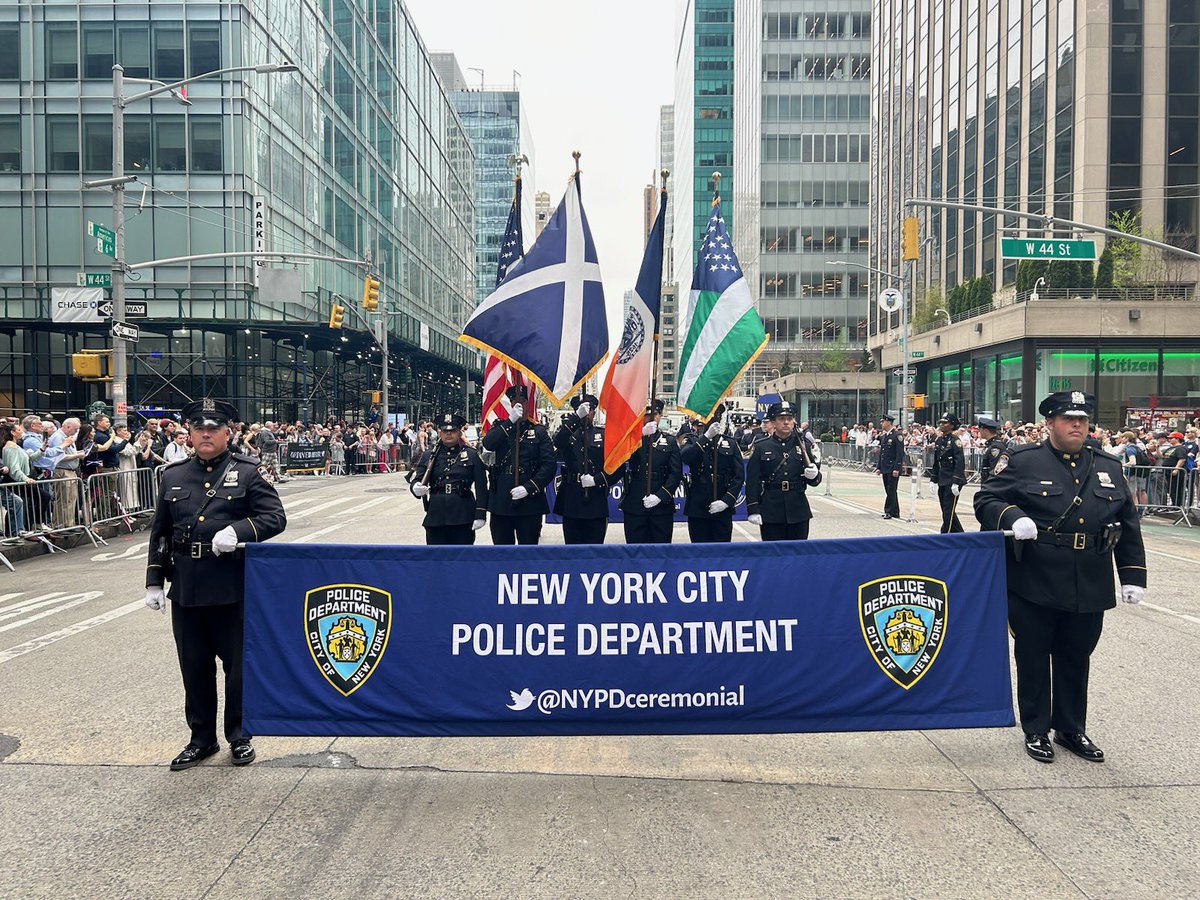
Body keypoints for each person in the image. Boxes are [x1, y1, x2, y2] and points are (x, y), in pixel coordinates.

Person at [974, 390, 1146, 764]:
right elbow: (986, 500)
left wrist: (1132, 574)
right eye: (1069, 420)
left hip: (1089, 577)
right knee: (1034, 656)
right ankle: (1036, 729)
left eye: (1083, 420)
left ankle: (1070, 728)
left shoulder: (1108, 466)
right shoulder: (1022, 460)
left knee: (1075, 656)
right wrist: (1013, 517)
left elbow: (1127, 523)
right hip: (1035, 576)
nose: (1077, 426)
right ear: (1049, 423)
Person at [144, 398, 287, 771]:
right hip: (188, 588)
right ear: (189, 434)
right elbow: (160, 532)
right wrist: (154, 580)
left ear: (228, 432)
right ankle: (201, 738)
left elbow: (274, 517)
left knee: (237, 667)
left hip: (231, 585)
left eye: (213, 429)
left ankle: (239, 734)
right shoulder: (173, 476)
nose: (205, 435)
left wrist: (239, 531)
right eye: (198, 429)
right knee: (194, 667)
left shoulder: (249, 472)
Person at [478, 386, 556, 545]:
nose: (519, 404)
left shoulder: (539, 431)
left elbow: (549, 465)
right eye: (514, 401)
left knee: (528, 552)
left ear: (529, 404)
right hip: (502, 499)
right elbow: (489, 443)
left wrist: (529, 487)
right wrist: (510, 421)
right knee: (502, 551)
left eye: (523, 401)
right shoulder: (501, 427)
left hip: (530, 501)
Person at [745, 400, 821, 541]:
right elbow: (752, 480)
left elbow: (815, 481)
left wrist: (814, 475)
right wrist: (753, 509)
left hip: (798, 509)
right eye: (781, 419)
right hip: (771, 509)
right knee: (773, 556)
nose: (786, 422)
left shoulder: (804, 444)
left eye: (789, 419)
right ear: (773, 423)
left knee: (798, 555)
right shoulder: (761, 447)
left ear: (794, 422)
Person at [410, 412, 489, 545]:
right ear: (440, 432)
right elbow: (417, 479)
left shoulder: (472, 455)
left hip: (463, 514)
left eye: (453, 430)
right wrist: (415, 487)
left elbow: (481, 486)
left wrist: (481, 514)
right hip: (436, 515)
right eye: (445, 430)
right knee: (437, 560)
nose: (449, 434)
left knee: (462, 559)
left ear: (459, 433)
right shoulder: (429, 455)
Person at [618, 399, 682, 544]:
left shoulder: (670, 441)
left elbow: (675, 473)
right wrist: (639, 435)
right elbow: (620, 454)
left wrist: (660, 496)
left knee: (661, 553)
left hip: (661, 507)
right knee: (635, 552)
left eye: (655, 414)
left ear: (660, 416)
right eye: (647, 415)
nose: (651, 418)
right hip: (635, 503)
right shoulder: (632, 438)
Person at [680, 404, 744, 543]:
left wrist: (727, 501)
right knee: (700, 552)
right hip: (698, 506)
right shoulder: (692, 440)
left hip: (722, 505)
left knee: (722, 553)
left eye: (717, 417)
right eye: (710, 417)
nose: (714, 420)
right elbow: (686, 457)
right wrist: (706, 437)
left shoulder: (730, 443)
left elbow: (739, 476)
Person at [552, 392, 610, 545]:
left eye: (589, 408)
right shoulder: (568, 432)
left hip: (595, 498)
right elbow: (558, 442)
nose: (586, 412)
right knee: (572, 550)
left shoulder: (603, 434)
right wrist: (576, 418)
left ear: (594, 411)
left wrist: (596, 480)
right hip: (572, 498)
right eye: (581, 408)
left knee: (595, 549)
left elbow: (616, 467)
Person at [930, 412, 966, 533]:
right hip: (942, 479)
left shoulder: (956, 441)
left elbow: (959, 462)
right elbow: (937, 461)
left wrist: (956, 481)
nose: (942, 424)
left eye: (945, 423)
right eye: (941, 422)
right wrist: (933, 479)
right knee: (946, 509)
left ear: (952, 426)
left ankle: (945, 534)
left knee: (948, 510)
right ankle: (961, 535)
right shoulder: (940, 440)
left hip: (952, 480)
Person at [876, 413, 903, 519]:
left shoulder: (897, 436)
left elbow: (899, 454)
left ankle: (888, 511)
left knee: (891, 489)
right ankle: (895, 511)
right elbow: (882, 453)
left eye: (883, 421)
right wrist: (879, 467)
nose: (882, 423)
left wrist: (897, 468)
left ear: (888, 422)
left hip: (892, 467)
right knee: (889, 490)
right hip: (885, 467)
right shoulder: (884, 436)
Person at [976, 416, 1007, 485]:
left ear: (986, 431)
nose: (979, 432)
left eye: (980, 429)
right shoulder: (991, 444)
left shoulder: (996, 447)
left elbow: (996, 468)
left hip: (992, 484)